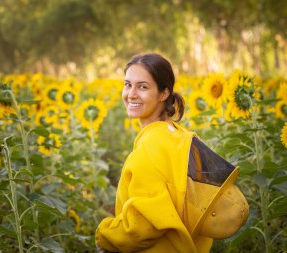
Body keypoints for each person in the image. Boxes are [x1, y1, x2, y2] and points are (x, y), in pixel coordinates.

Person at [95, 53, 249, 253]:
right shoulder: (183, 135)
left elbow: (143, 226)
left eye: (143, 87)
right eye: (127, 84)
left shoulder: (149, 149)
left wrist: (104, 237)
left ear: (164, 94)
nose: (131, 94)